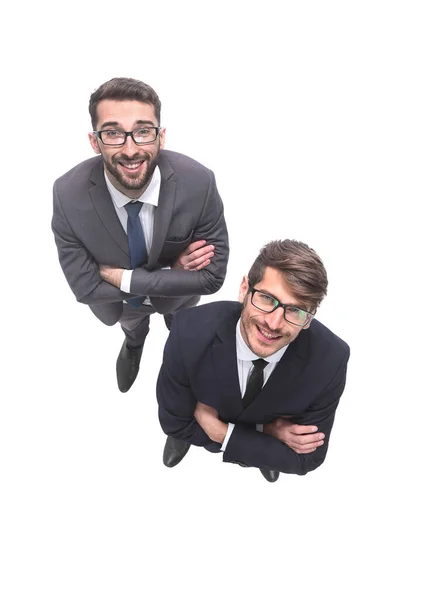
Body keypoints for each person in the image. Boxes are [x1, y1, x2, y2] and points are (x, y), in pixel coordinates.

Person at [52, 77, 229, 464]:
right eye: (113, 134)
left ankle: (183, 418)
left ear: (161, 136)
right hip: (122, 305)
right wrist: (174, 270)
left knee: (188, 348)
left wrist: (123, 276)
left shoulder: (199, 182)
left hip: (179, 300)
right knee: (133, 324)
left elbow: (213, 277)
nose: (131, 149)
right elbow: (85, 288)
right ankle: (135, 343)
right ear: (94, 141)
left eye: (143, 132)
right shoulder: (67, 194)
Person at [156, 239, 349, 482]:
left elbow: (306, 459)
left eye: (295, 310)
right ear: (244, 289)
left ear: (309, 319)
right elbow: (174, 423)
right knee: (183, 430)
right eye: (267, 298)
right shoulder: (188, 331)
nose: (274, 323)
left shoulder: (332, 359)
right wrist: (268, 437)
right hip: (198, 426)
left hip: (225, 421)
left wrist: (223, 433)